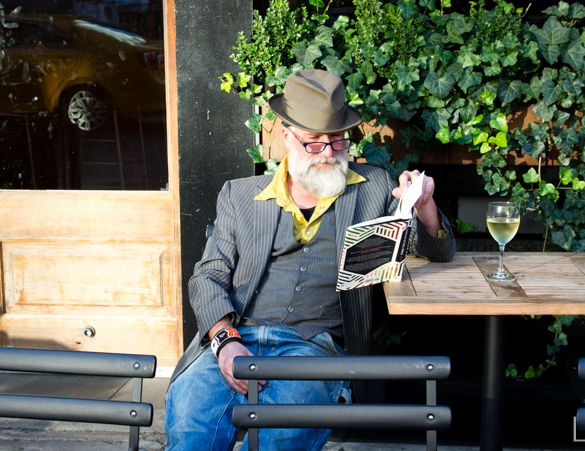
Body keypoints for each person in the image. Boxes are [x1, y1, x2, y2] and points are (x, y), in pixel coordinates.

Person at [164, 69, 456, 450]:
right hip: (239, 334)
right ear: (287, 136)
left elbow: (438, 250)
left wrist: (425, 203)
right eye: (314, 143)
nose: (329, 154)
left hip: (315, 348)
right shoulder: (239, 195)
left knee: (283, 435)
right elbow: (208, 276)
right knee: (191, 424)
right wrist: (225, 340)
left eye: (337, 142)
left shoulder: (376, 188)